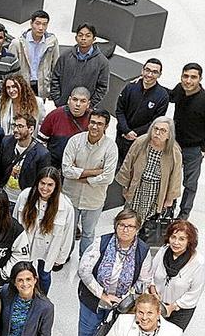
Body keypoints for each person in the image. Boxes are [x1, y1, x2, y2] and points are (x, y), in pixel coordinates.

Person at [76, 209, 152, 336]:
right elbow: (84, 270)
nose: (126, 229)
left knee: (113, 331)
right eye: (122, 225)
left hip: (123, 302)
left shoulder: (143, 251)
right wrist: (102, 295)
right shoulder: (101, 242)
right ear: (115, 226)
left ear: (137, 229)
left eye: (130, 226)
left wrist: (125, 299)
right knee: (87, 328)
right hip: (94, 297)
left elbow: (143, 281)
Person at [62, 109, 118, 255]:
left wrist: (79, 175)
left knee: (88, 233)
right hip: (70, 197)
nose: (94, 126)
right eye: (92, 122)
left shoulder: (111, 148)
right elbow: (66, 171)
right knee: (67, 231)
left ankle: (85, 261)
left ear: (106, 127)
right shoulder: (75, 141)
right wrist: (94, 172)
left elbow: (108, 177)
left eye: (100, 124)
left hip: (93, 201)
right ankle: (64, 256)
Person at [13, 167, 75, 295]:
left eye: (50, 185)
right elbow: (14, 222)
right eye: (42, 183)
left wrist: (62, 257)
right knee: (23, 273)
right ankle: (23, 298)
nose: (45, 188)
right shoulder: (25, 196)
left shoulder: (65, 206)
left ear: (56, 186)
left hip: (49, 248)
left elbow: (68, 234)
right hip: (26, 244)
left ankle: (42, 299)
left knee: (44, 275)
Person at [116, 117, 183, 221]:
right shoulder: (141, 142)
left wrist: (170, 198)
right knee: (128, 215)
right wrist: (125, 185)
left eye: (163, 131)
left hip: (156, 189)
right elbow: (128, 163)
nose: (157, 133)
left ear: (169, 135)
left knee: (146, 220)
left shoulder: (174, 151)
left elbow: (176, 177)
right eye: (155, 129)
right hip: (137, 184)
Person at [149, 220, 204, 331]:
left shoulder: (199, 263)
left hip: (180, 311)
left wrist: (173, 306)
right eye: (173, 237)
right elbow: (151, 274)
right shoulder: (164, 250)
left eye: (182, 239)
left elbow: (194, 293)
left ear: (189, 241)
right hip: (157, 304)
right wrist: (153, 290)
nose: (176, 242)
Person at [168, 63, 205, 220]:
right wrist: (149, 82)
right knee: (172, 179)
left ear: (200, 79)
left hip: (194, 149)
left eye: (193, 77)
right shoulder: (180, 89)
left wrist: (203, 149)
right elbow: (169, 96)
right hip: (175, 145)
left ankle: (184, 214)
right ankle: (169, 207)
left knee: (190, 183)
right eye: (185, 76)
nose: (188, 81)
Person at [115, 59, 170, 163]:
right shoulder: (130, 87)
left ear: (160, 74)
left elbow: (155, 122)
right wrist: (126, 130)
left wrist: (134, 134)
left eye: (154, 72)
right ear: (142, 71)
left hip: (141, 140)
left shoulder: (162, 96)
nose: (149, 74)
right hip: (121, 135)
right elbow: (119, 110)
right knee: (117, 163)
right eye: (147, 70)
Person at [0, 113, 51, 205]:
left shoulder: (42, 154)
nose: (16, 129)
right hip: (4, 196)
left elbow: (41, 181)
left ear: (31, 129)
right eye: (15, 126)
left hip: (24, 200)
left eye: (20, 126)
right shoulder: (6, 142)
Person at [49, 23, 109, 107]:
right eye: (80, 35)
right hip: (63, 106)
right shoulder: (65, 56)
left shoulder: (102, 62)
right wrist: (58, 100)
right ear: (76, 38)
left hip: (85, 109)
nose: (83, 38)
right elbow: (55, 78)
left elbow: (102, 88)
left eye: (88, 36)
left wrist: (89, 105)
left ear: (94, 39)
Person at [7, 10, 60, 99]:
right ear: (31, 24)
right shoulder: (18, 43)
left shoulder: (52, 42)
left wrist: (53, 87)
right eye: (38, 23)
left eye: (44, 24)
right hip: (22, 85)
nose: (41, 27)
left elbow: (56, 65)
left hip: (42, 86)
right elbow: (10, 68)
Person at [38, 86, 91, 169]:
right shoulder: (54, 115)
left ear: (88, 104)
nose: (78, 104)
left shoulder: (93, 120)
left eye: (83, 101)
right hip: (54, 166)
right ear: (69, 100)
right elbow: (40, 142)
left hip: (80, 168)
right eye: (75, 99)